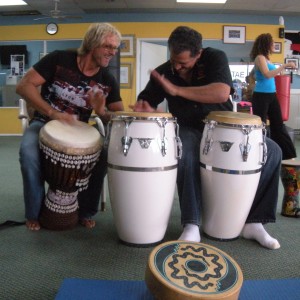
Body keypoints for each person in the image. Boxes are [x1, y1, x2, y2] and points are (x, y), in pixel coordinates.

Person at [131, 26, 282, 250]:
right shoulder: (165, 72)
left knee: (272, 151)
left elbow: (221, 92)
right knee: (186, 148)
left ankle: (254, 222)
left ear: (198, 54)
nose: (177, 67)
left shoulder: (214, 58)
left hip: (222, 128)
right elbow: (146, 103)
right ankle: (191, 224)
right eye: (174, 60)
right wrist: (143, 109)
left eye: (183, 63)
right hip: (188, 128)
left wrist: (176, 91)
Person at [16, 23, 124, 231]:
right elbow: (24, 85)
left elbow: (118, 116)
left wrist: (101, 112)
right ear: (92, 44)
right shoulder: (59, 59)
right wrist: (52, 112)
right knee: (28, 153)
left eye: (115, 47)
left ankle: (85, 211)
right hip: (43, 122)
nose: (113, 52)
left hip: (80, 130)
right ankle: (33, 213)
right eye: (108, 46)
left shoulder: (107, 79)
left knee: (103, 157)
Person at [250, 33, 296, 160]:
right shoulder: (260, 58)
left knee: (278, 125)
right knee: (261, 125)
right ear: (266, 44)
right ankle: (260, 154)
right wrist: (284, 65)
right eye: (272, 43)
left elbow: (254, 75)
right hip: (261, 96)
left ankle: (287, 155)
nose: (274, 45)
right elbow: (267, 75)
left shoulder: (266, 59)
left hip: (271, 95)